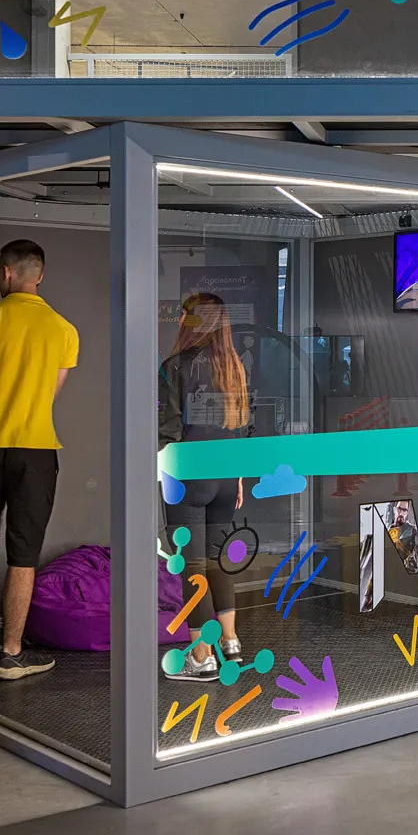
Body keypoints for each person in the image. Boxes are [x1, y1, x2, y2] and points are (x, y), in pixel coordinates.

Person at [0, 238, 81, 681]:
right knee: (23, 556)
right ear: (40, 275)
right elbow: (49, 395)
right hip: (36, 450)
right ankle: (11, 654)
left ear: (6, 272)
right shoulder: (65, 330)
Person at [160, 291, 252, 680]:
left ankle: (201, 657)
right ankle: (230, 644)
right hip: (227, 479)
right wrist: (239, 477)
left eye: (184, 314)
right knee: (217, 562)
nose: (180, 320)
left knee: (193, 566)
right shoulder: (235, 367)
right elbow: (244, 429)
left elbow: (168, 430)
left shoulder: (175, 366)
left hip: (189, 478)